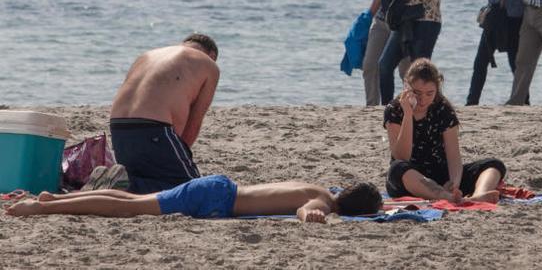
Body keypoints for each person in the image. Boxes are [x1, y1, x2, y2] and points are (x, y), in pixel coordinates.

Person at [4, 175, 382, 223]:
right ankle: (40, 207)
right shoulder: (323, 203)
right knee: (129, 208)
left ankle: (52, 199)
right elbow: (305, 210)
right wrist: (309, 218)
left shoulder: (323, 189)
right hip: (214, 199)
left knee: (132, 198)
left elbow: (308, 199)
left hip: (219, 189)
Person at [109, 33, 220, 194]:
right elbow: (194, 123)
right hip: (154, 129)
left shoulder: (148, 55)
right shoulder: (209, 64)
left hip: (118, 129)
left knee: (149, 178)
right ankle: (127, 186)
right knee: (191, 192)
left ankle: (124, 184)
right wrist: (180, 155)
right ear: (212, 55)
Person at [384, 59, 506, 202]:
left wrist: (454, 184)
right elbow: (401, 156)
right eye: (417, 93)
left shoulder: (443, 108)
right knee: (397, 168)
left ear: (437, 90)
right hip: (410, 179)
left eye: (430, 94)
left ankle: (479, 195)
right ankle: (448, 197)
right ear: (407, 87)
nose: (423, 100)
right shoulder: (394, 109)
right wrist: (408, 114)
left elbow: (453, 156)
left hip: (441, 175)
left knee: (494, 165)